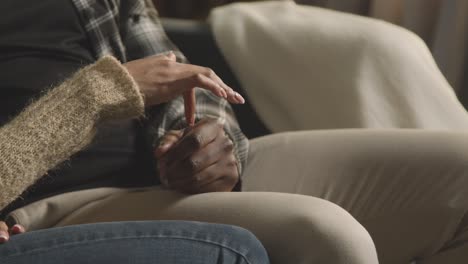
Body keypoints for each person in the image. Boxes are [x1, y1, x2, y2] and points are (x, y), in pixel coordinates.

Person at [3, 1, 468, 264]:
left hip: (162, 171)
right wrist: (97, 96)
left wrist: (203, 137)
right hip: (52, 205)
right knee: (327, 237)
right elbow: (128, 82)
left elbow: (173, 68)